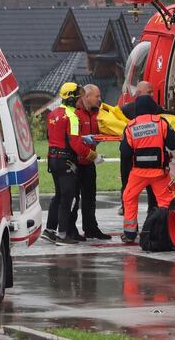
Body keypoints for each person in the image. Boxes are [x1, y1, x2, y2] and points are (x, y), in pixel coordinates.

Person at [120, 95, 175, 243]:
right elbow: (173, 144)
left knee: (129, 197)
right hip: (159, 172)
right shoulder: (161, 123)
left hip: (138, 173)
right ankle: (166, 231)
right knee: (165, 202)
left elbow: (125, 152)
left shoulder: (131, 126)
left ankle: (130, 233)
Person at [41, 82, 97, 246]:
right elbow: (75, 144)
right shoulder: (73, 116)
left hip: (53, 159)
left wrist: (82, 138)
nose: (81, 99)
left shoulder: (53, 114)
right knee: (69, 196)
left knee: (58, 195)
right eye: (79, 96)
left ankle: (50, 230)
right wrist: (92, 154)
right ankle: (63, 234)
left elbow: (51, 137)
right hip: (67, 161)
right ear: (72, 98)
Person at [118, 81, 162, 216]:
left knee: (151, 189)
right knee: (127, 184)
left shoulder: (157, 109)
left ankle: (152, 211)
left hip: (148, 155)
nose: (152, 95)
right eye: (148, 92)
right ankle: (125, 207)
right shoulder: (126, 110)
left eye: (152, 92)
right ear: (138, 94)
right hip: (131, 156)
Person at [76, 84, 111, 240]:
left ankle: (91, 229)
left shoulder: (96, 113)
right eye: (97, 96)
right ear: (87, 96)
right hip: (75, 163)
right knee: (73, 198)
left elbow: (98, 134)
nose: (99, 99)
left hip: (89, 162)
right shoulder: (75, 113)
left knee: (90, 198)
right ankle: (70, 230)